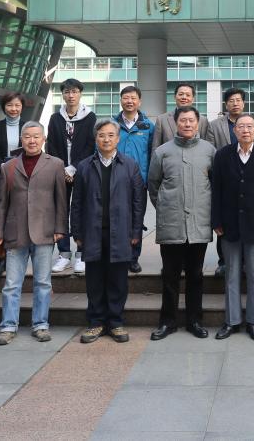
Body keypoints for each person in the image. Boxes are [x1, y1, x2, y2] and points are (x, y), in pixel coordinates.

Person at [0, 121, 68, 345]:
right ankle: (8, 326)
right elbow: (1, 203)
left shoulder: (55, 164)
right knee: (12, 283)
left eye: (36, 136)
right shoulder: (8, 166)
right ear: (21, 139)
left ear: (43, 139)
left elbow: (61, 200)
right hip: (15, 231)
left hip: (45, 231)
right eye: (27, 136)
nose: (32, 141)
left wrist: (60, 228)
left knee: (43, 282)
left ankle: (41, 324)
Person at [72, 118, 146, 344]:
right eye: (102, 135)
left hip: (121, 232)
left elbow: (138, 202)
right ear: (96, 139)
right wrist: (77, 233)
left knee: (118, 281)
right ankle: (96, 322)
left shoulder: (130, 165)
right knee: (94, 280)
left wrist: (136, 232)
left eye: (111, 135)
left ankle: (115, 322)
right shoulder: (84, 166)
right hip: (92, 232)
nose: (106, 139)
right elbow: (77, 202)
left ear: (118, 138)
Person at [147, 106, 215, 340]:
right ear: (176, 123)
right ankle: (168, 322)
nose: (187, 124)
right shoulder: (162, 152)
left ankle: (195, 321)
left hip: (199, 223)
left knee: (196, 275)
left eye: (191, 120)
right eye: (183, 120)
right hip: (171, 224)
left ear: (198, 123)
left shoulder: (209, 150)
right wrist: (166, 206)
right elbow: (153, 185)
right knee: (170, 276)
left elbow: (215, 184)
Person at [211, 113, 254, 341]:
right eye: (241, 126)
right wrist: (216, 221)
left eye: (250, 126)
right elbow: (216, 191)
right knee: (231, 275)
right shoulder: (222, 155)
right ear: (234, 130)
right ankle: (231, 321)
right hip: (229, 225)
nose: (246, 130)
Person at [205, 87, 254, 278]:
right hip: (226, 176)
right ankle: (224, 262)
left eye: (238, 100)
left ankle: (246, 263)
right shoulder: (214, 125)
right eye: (231, 100)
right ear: (226, 104)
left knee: (248, 223)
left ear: (244, 103)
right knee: (226, 223)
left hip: (249, 177)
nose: (235, 103)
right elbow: (211, 151)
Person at [46, 78, 97, 275]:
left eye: (74, 91)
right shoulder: (55, 118)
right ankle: (64, 254)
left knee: (82, 210)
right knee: (61, 211)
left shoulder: (89, 117)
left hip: (82, 171)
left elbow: (90, 145)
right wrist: (62, 169)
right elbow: (51, 145)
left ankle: (81, 254)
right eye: (67, 92)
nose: (71, 95)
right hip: (60, 172)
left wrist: (73, 168)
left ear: (80, 93)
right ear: (63, 95)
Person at [0, 91, 26, 277]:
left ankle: (18, 257)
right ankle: (2, 258)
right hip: (1, 174)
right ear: (4, 107)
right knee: (2, 215)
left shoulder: (28, 126)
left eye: (17, 105)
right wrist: (4, 165)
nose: (13, 109)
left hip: (24, 175)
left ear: (22, 107)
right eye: (10, 105)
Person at [114, 85, 154, 274]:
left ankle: (133, 257)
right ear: (121, 100)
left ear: (139, 101)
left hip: (139, 182)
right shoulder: (112, 125)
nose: (129, 101)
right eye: (126, 98)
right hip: (114, 181)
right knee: (116, 219)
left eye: (133, 98)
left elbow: (153, 154)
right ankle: (118, 256)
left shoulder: (148, 126)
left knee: (136, 219)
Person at [151, 83, 207, 152]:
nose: (184, 97)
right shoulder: (161, 120)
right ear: (175, 97)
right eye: (181, 94)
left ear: (193, 99)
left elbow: (206, 146)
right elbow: (155, 147)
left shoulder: (203, 120)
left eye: (188, 95)